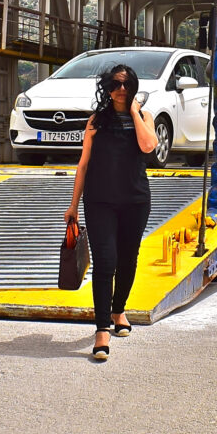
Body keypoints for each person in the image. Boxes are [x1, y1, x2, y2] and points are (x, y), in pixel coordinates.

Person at [65, 62, 159, 363]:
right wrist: (73, 205)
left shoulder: (144, 117)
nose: (120, 90)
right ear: (107, 88)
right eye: (115, 85)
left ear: (133, 87)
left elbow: (148, 147)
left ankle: (119, 310)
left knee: (127, 260)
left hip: (135, 200)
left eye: (126, 84)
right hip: (99, 200)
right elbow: (83, 164)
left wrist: (133, 111)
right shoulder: (96, 121)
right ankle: (102, 330)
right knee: (105, 262)